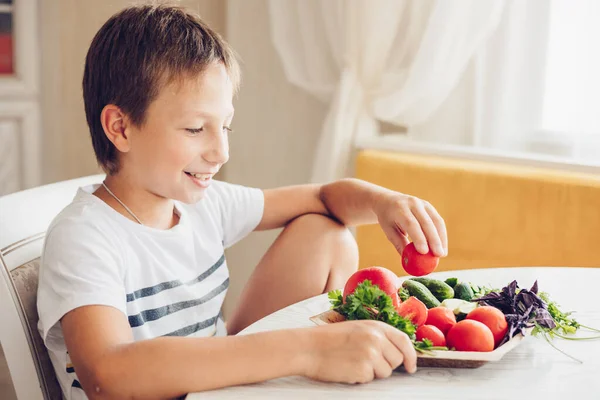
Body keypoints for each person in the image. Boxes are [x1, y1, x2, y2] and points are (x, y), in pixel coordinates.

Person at [37, 4, 448, 399]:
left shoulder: (202, 204)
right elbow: (109, 375)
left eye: (225, 127)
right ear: (121, 128)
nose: (221, 152)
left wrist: (382, 202)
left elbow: (323, 199)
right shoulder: (84, 236)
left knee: (324, 232)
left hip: (217, 390)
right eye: (196, 128)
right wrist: (310, 349)